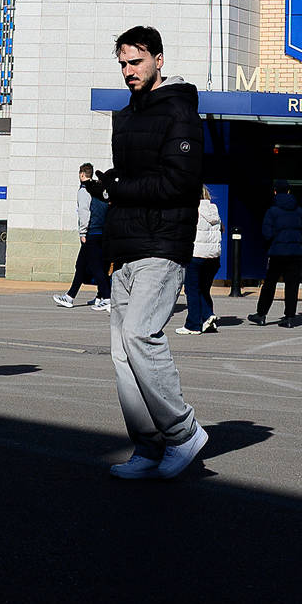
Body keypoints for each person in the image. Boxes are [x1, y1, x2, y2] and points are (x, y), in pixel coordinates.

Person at [101, 26, 208, 480]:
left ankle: (183, 433)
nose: (129, 71)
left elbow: (180, 183)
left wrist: (118, 187)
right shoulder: (124, 116)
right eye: (123, 63)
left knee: (140, 336)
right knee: (122, 353)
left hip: (163, 244)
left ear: (159, 60)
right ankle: (147, 446)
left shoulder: (180, 113)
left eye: (137, 61)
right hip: (126, 245)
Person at [56, 163, 109, 308]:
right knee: (83, 265)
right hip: (102, 232)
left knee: (95, 266)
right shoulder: (99, 189)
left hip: (91, 232)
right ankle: (73, 296)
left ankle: (107, 297)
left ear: (81, 174)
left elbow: (84, 212)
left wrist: (83, 232)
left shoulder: (84, 190)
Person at [252, 188, 302, 325]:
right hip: (295, 253)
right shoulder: (299, 211)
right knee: (292, 285)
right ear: (289, 191)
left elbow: (266, 233)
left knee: (270, 284)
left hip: (277, 252)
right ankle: (289, 317)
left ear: (275, 192)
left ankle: (261, 314)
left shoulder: (272, 211)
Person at [181, 186, 224, 334]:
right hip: (213, 257)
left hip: (196, 255)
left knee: (192, 289)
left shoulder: (192, 210)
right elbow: (222, 230)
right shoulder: (214, 210)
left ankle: (193, 324)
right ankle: (208, 317)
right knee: (204, 289)